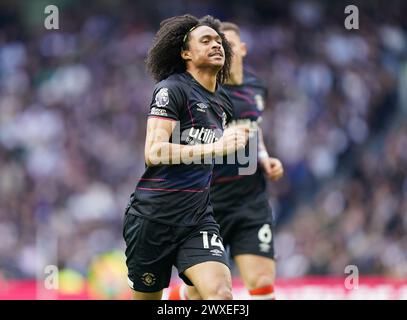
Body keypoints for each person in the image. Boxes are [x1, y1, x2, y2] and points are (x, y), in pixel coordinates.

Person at [122, 15, 250, 300]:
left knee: (221, 295)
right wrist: (216, 148)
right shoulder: (172, 89)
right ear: (185, 53)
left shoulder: (223, 102)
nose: (216, 44)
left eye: (219, 41)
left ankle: (186, 293)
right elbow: (154, 152)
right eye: (206, 41)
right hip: (152, 219)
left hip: (197, 219)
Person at [169, 22, 284, 300]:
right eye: (215, 45)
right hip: (209, 206)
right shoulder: (200, 92)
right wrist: (218, 139)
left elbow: (253, 126)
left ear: (242, 49)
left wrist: (265, 157)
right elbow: (180, 142)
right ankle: (175, 297)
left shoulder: (257, 88)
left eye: (227, 44)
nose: (222, 50)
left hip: (250, 202)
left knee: (262, 281)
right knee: (205, 293)